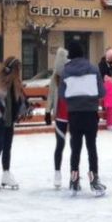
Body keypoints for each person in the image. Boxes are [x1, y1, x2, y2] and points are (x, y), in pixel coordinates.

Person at [61, 39, 106, 194]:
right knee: (91, 147)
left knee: (75, 148)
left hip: (74, 114)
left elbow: (62, 94)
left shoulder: (66, 71)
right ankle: (94, 179)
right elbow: (101, 92)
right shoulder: (93, 69)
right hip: (90, 113)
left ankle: (74, 178)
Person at [0, 56, 27, 191]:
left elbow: (18, 100)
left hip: (9, 119)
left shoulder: (16, 82)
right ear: (10, 69)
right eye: (17, 69)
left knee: (7, 146)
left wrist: (25, 106)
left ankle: (6, 173)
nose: (18, 71)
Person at [45, 46, 70, 188]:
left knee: (74, 145)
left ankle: (74, 172)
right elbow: (50, 95)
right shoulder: (54, 79)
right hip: (60, 116)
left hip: (72, 114)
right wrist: (48, 111)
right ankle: (57, 172)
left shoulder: (71, 75)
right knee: (60, 145)